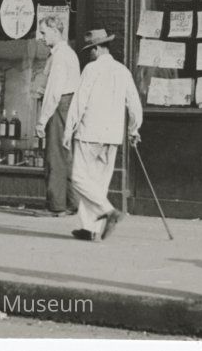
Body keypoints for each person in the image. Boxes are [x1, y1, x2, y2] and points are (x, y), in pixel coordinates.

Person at [63, 28, 142, 241]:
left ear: (98, 48)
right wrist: (133, 129)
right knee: (98, 183)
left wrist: (68, 129)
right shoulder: (123, 71)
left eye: (90, 49)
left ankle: (108, 211)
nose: (90, 54)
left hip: (89, 132)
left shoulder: (91, 69)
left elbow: (79, 101)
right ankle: (91, 229)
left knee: (79, 178)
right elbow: (134, 104)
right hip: (112, 136)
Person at [34, 15, 80, 216]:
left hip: (60, 106)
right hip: (68, 105)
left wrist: (42, 120)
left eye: (44, 32)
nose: (41, 37)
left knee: (55, 156)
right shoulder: (65, 53)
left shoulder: (60, 56)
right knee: (65, 154)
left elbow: (54, 91)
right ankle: (71, 202)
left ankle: (56, 205)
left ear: (55, 31)